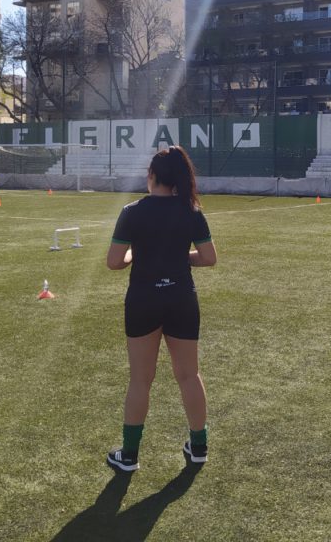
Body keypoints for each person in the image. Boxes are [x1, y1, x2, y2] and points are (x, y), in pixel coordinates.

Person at [105, 146, 217, 473]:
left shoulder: (132, 212)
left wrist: (135, 257)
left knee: (141, 379)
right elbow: (209, 258)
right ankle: (198, 447)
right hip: (182, 297)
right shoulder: (191, 210)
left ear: (152, 176)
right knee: (189, 375)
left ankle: (129, 456)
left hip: (143, 300)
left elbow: (114, 262)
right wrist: (178, 260)